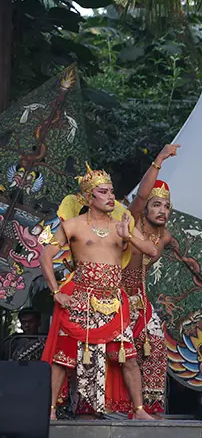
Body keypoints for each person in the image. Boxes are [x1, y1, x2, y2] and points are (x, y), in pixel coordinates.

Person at [39, 164, 158, 420]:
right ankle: (49, 410)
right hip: (80, 297)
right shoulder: (72, 225)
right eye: (103, 192)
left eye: (111, 191)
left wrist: (131, 237)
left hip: (114, 300)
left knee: (128, 357)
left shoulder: (122, 225)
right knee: (64, 358)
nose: (111, 196)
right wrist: (55, 291)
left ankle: (138, 410)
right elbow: (45, 256)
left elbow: (152, 251)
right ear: (88, 198)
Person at [116, 144, 179, 415]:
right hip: (114, 298)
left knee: (155, 348)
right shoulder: (135, 222)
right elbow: (140, 195)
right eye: (156, 204)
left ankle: (151, 408)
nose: (161, 210)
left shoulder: (164, 236)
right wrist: (159, 160)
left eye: (166, 206)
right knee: (122, 354)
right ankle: (121, 405)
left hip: (141, 300)